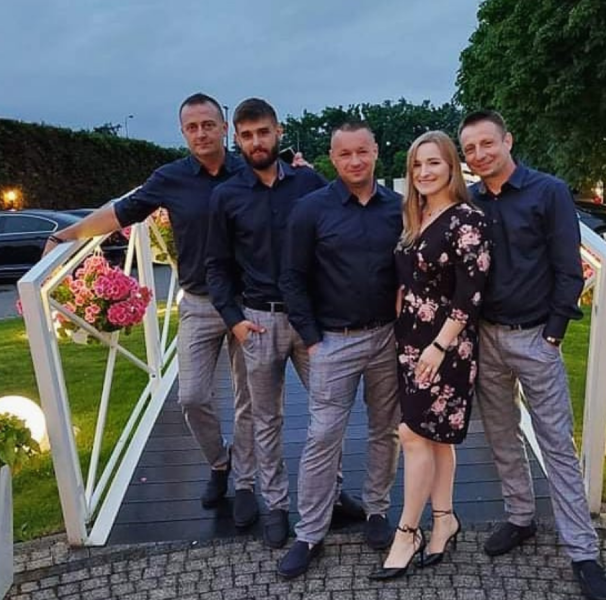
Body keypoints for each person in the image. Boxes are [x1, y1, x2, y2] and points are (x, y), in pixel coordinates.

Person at [44, 93, 259, 528]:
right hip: (199, 301)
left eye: (208, 124)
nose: (201, 133)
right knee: (192, 396)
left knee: (249, 398)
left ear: (224, 128)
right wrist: (67, 234)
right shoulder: (170, 178)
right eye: (192, 127)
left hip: (248, 303)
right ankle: (219, 463)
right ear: (183, 132)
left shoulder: (251, 171)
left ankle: (247, 483)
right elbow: (120, 213)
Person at [459, 110, 606, 600]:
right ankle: (520, 516)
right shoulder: (470, 200)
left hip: (535, 338)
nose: (479, 154)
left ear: (507, 141)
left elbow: (569, 268)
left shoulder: (548, 192)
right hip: (486, 337)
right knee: (501, 434)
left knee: (556, 444)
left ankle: (582, 551)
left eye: (487, 143)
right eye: (470, 149)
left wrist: (553, 334)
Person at [205, 98, 364, 550]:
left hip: (311, 320)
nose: (256, 142)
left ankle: (331, 495)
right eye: (247, 135)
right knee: (265, 418)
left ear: (278, 132)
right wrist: (234, 321)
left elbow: (337, 237)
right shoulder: (226, 196)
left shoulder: (309, 183)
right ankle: (274, 504)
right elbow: (216, 266)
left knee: (328, 413)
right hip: (257, 320)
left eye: (263, 132)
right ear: (238, 140)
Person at [276, 122, 403, 578]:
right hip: (332, 341)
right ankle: (310, 532)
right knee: (323, 436)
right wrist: (312, 337)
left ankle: (376, 510)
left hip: (388, 337)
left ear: (376, 151)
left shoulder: (399, 208)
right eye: (345, 153)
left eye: (362, 151)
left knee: (385, 430)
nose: (354, 161)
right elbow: (292, 277)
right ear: (332, 157)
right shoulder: (311, 209)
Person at [368, 130, 490, 580]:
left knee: (412, 433)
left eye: (433, 162)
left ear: (452, 167)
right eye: (417, 164)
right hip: (410, 342)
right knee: (434, 438)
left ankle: (406, 532)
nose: (424, 172)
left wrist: (439, 346)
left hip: (446, 346)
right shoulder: (416, 216)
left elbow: (471, 294)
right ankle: (444, 520)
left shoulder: (467, 221)